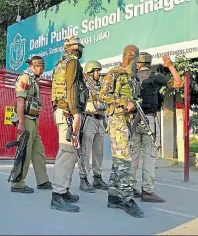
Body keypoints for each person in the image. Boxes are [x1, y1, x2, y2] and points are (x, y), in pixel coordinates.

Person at [130, 53, 182, 202]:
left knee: (133, 156)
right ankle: (147, 191)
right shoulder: (156, 76)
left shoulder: (131, 76)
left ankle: (131, 188)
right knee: (150, 156)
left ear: (138, 63)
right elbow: (178, 83)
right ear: (149, 63)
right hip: (150, 120)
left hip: (133, 120)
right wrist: (170, 66)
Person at [99, 45, 144, 218]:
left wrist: (134, 103)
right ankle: (127, 199)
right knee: (125, 159)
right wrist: (124, 103)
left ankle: (114, 196)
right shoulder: (114, 73)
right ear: (130, 56)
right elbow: (103, 95)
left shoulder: (133, 77)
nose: (137, 64)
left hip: (127, 120)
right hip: (117, 120)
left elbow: (135, 98)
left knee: (119, 159)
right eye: (136, 59)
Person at [50, 35, 88, 213]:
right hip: (68, 112)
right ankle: (57, 195)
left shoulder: (60, 63)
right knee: (66, 152)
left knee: (70, 152)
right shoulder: (72, 62)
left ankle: (63, 190)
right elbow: (72, 88)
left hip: (63, 110)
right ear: (76, 48)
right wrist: (76, 113)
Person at [10, 56, 52, 193]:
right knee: (24, 152)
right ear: (33, 67)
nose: (42, 70)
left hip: (33, 119)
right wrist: (21, 123)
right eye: (40, 67)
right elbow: (20, 101)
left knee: (38, 151)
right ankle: (17, 184)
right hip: (26, 119)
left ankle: (43, 180)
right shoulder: (25, 78)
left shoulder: (33, 80)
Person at [78, 60, 108, 193]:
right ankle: (83, 178)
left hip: (100, 119)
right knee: (85, 149)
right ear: (90, 72)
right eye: (97, 71)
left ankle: (97, 177)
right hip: (89, 118)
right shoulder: (84, 85)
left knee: (99, 151)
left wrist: (106, 120)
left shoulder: (101, 86)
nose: (99, 73)